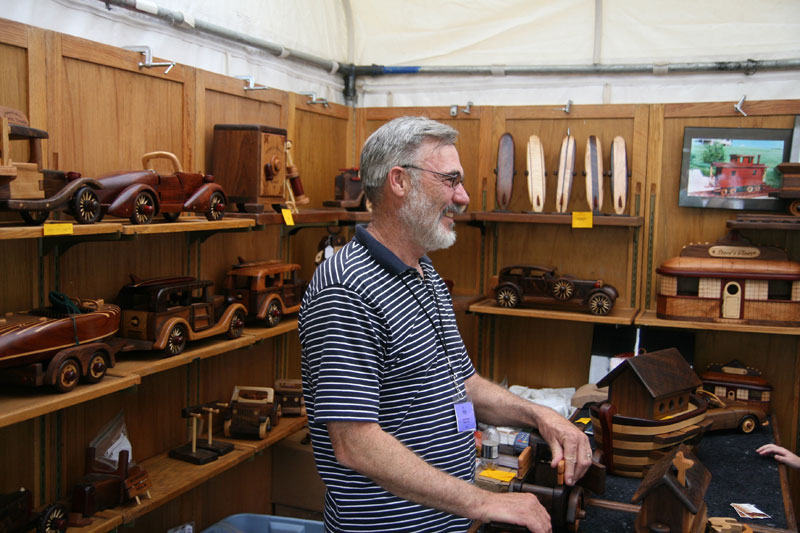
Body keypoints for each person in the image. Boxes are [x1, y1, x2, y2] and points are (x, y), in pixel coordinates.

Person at [299, 116, 592, 533]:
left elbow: (462, 382)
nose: (463, 196)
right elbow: (355, 444)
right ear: (400, 182)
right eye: (451, 180)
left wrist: (541, 416)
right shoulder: (346, 288)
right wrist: (485, 502)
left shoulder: (424, 271)